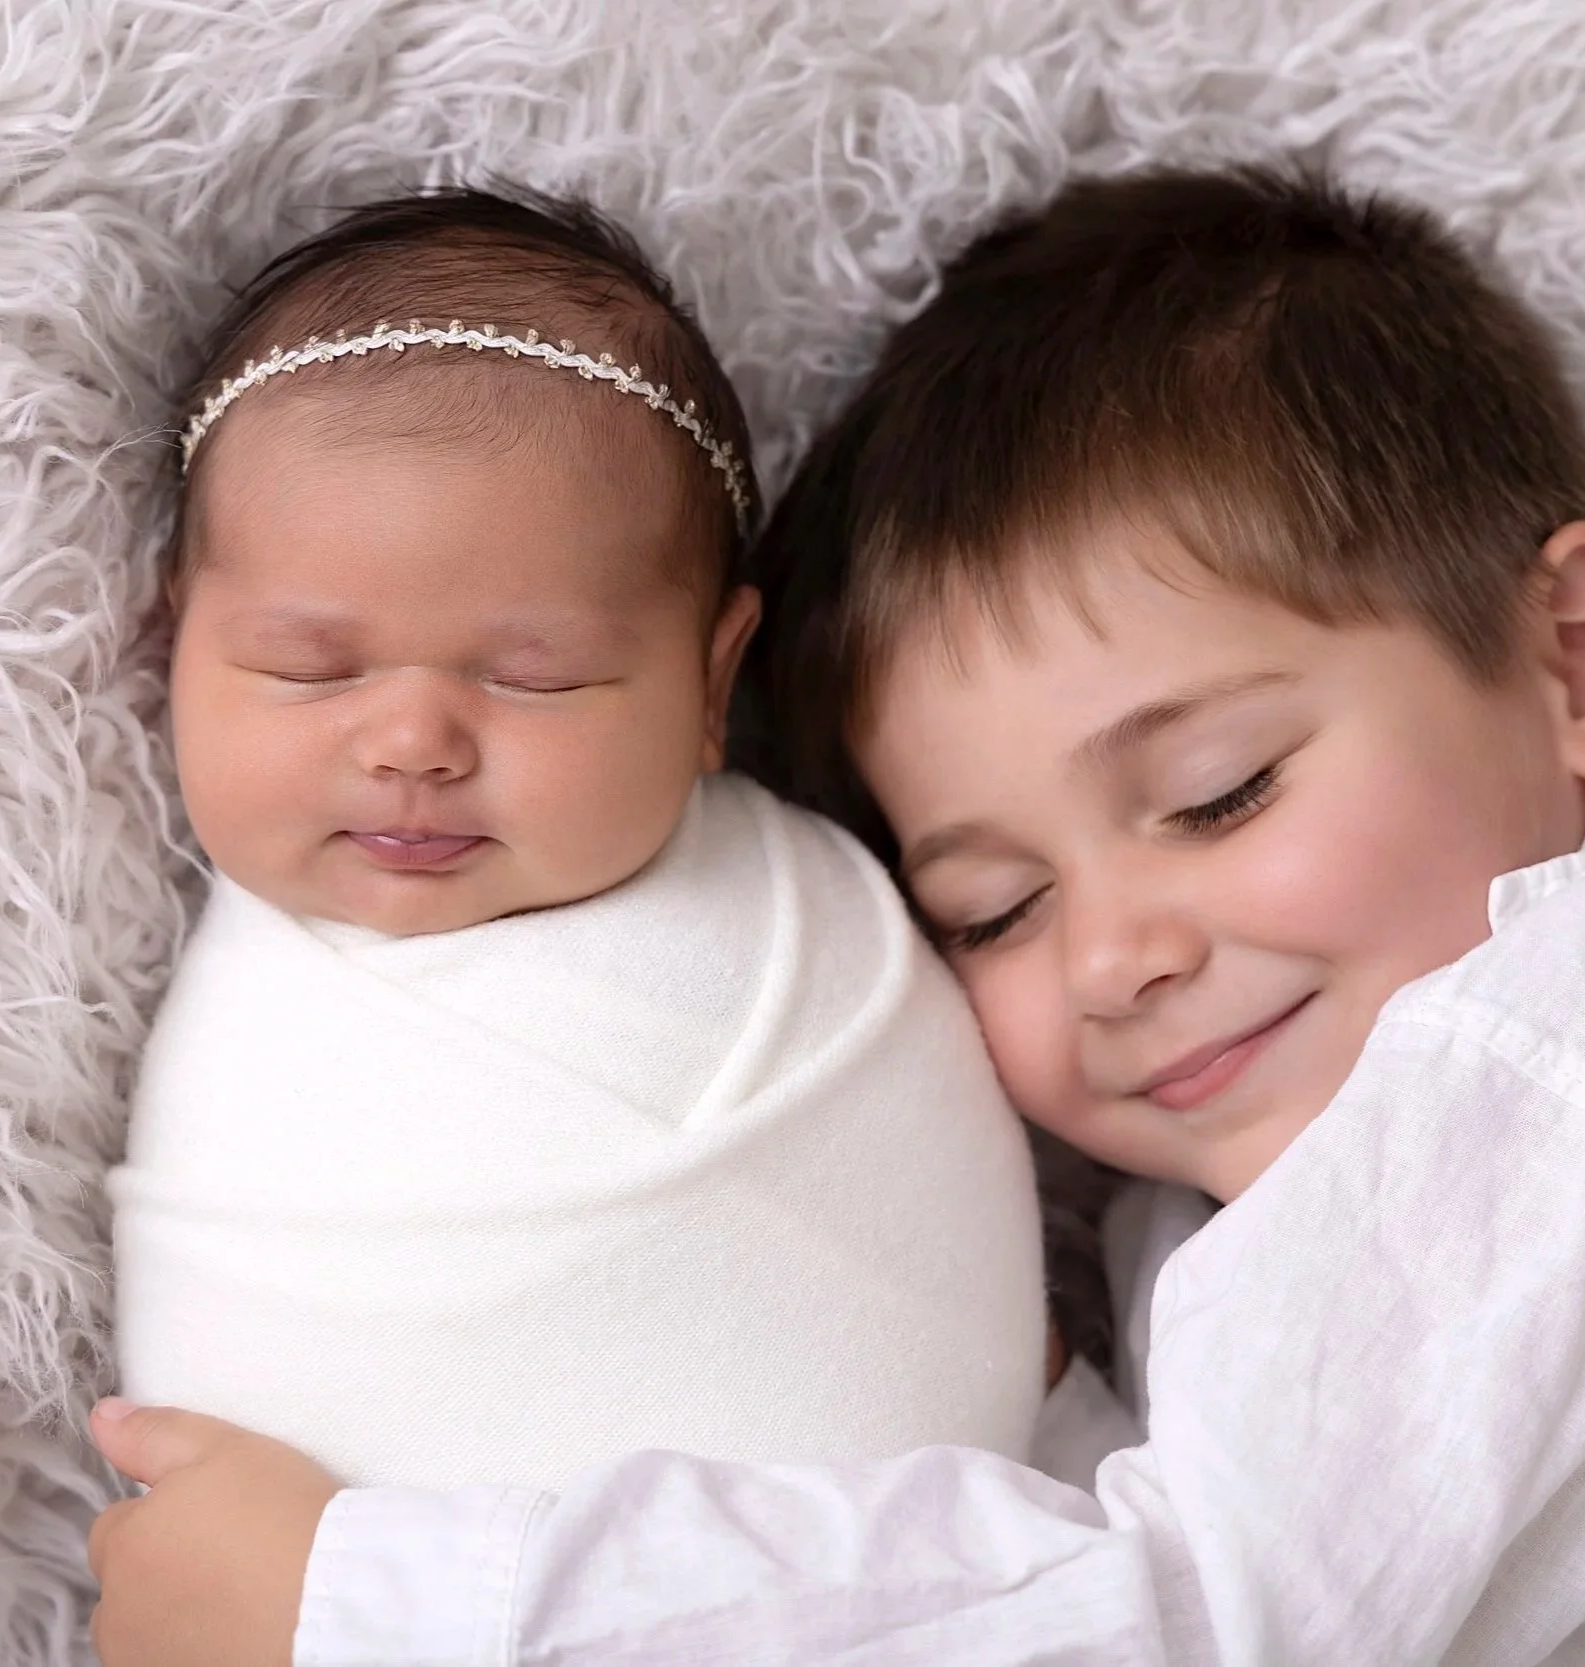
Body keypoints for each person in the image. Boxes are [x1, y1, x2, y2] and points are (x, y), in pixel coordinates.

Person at [86, 167, 1585, 1666]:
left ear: (1581, 659)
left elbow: (1171, 1610)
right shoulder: (1360, 1104)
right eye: (993, 906)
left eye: (1217, 794)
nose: (1115, 956)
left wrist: (382, 1594)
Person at [103, 186, 1052, 1515]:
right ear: (175, 644)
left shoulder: (813, 923)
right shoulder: (249, 1020)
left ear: (712, 683)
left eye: (536, 677)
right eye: (305, 667)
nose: (413, 741)